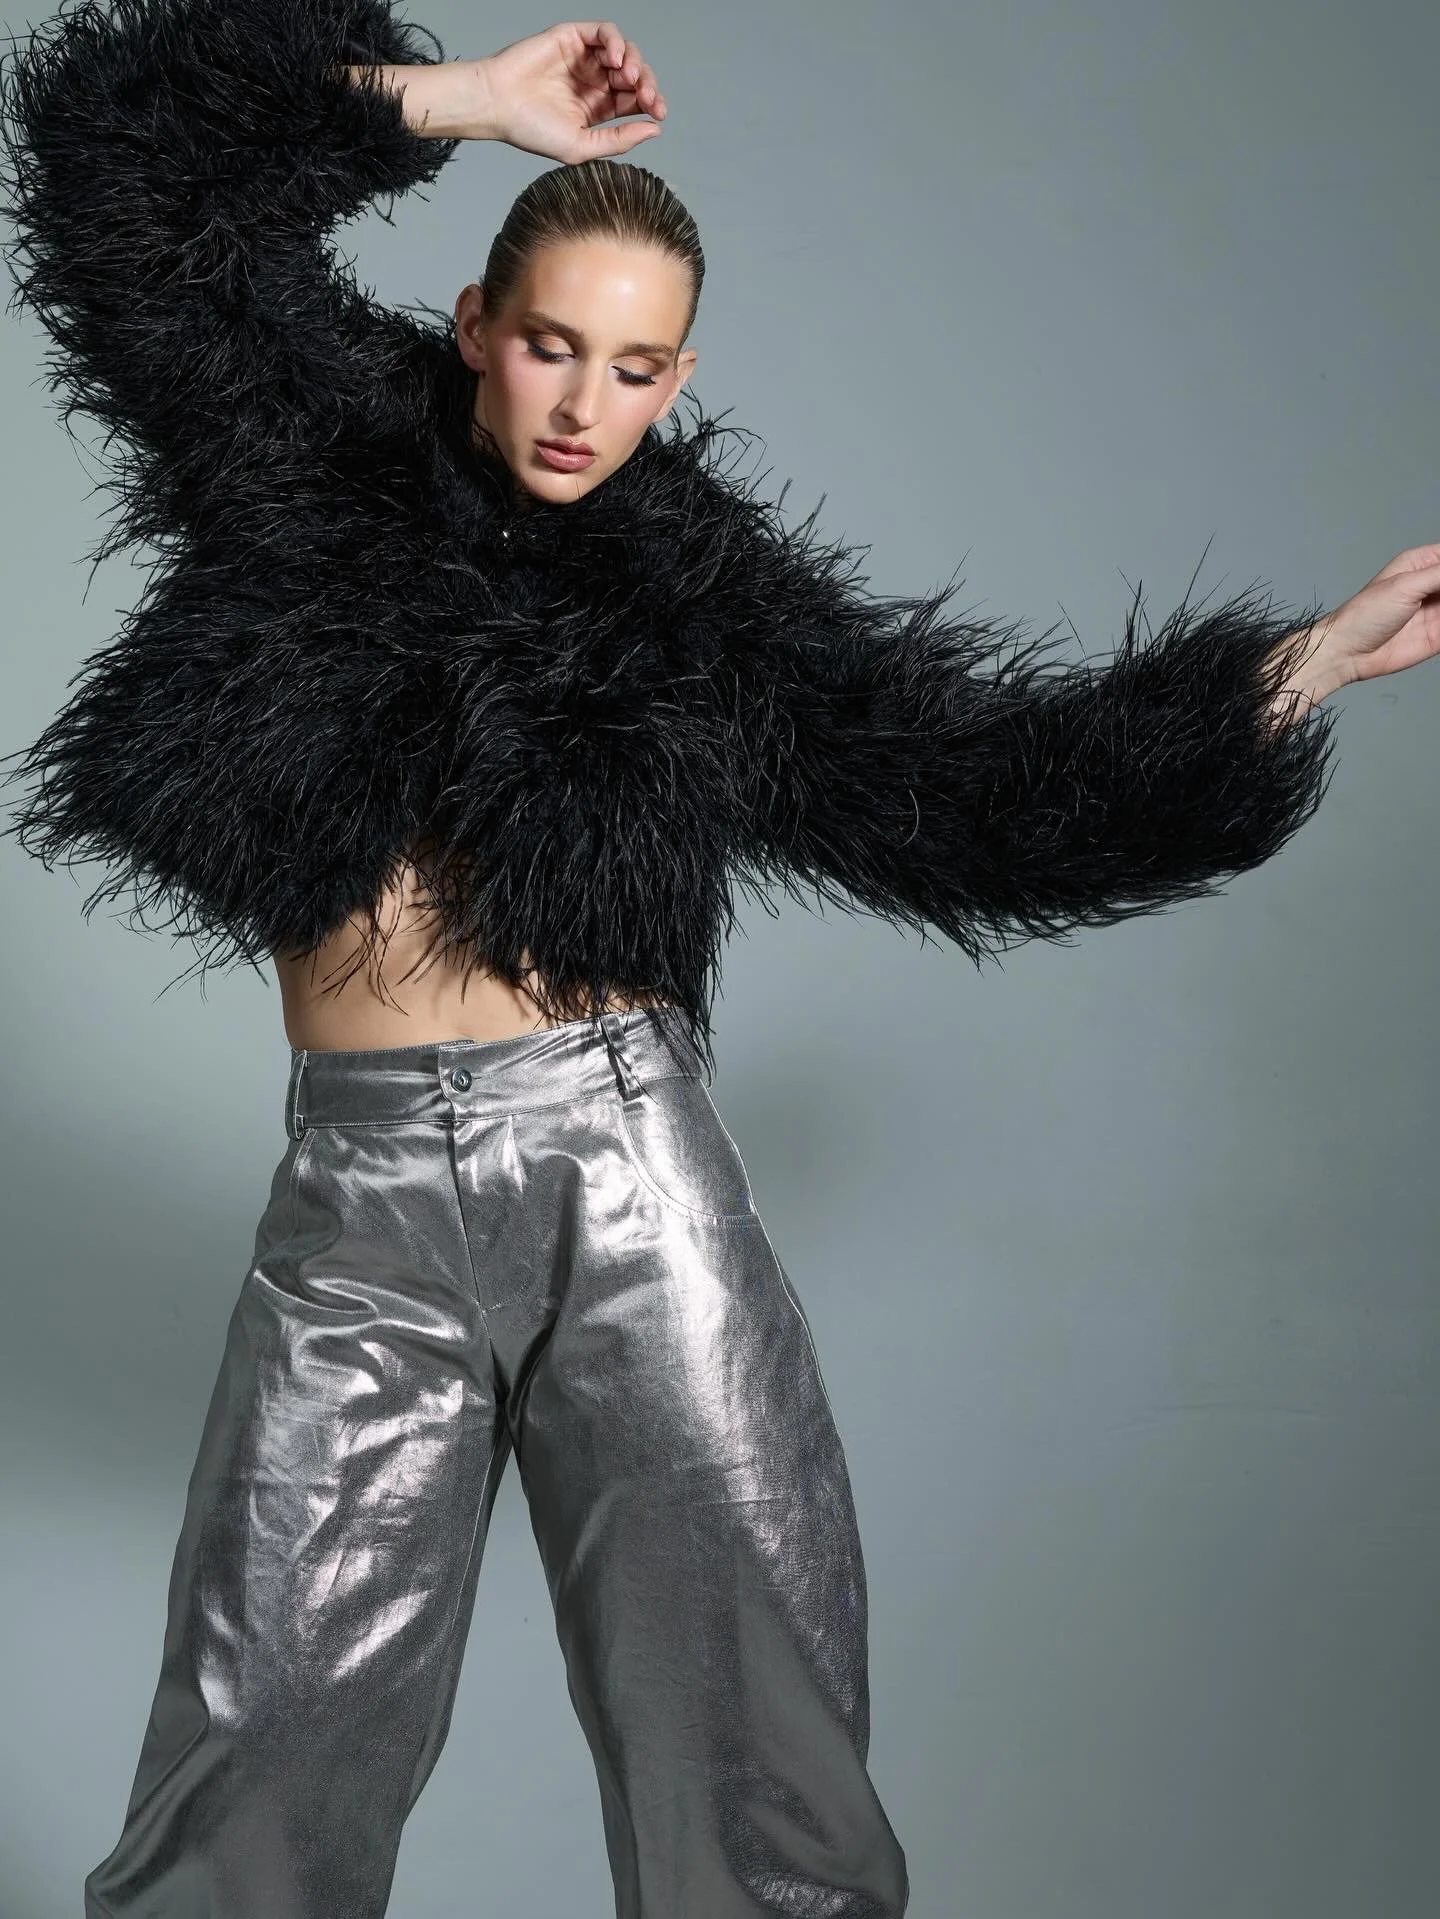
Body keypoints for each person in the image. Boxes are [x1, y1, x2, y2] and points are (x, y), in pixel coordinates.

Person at [0, 3, 1436, 1914]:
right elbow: (114, 156)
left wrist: (1290, 676)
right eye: (552, 345)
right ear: (472, 329)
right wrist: (468, 103)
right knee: (254, 1760)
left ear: (683, 380)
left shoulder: (704, 597)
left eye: (639, 367)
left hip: (628, 1177)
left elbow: (967, 789)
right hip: (355, 1195)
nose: (587, 403)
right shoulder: (294, 439)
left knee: (755, 1774)